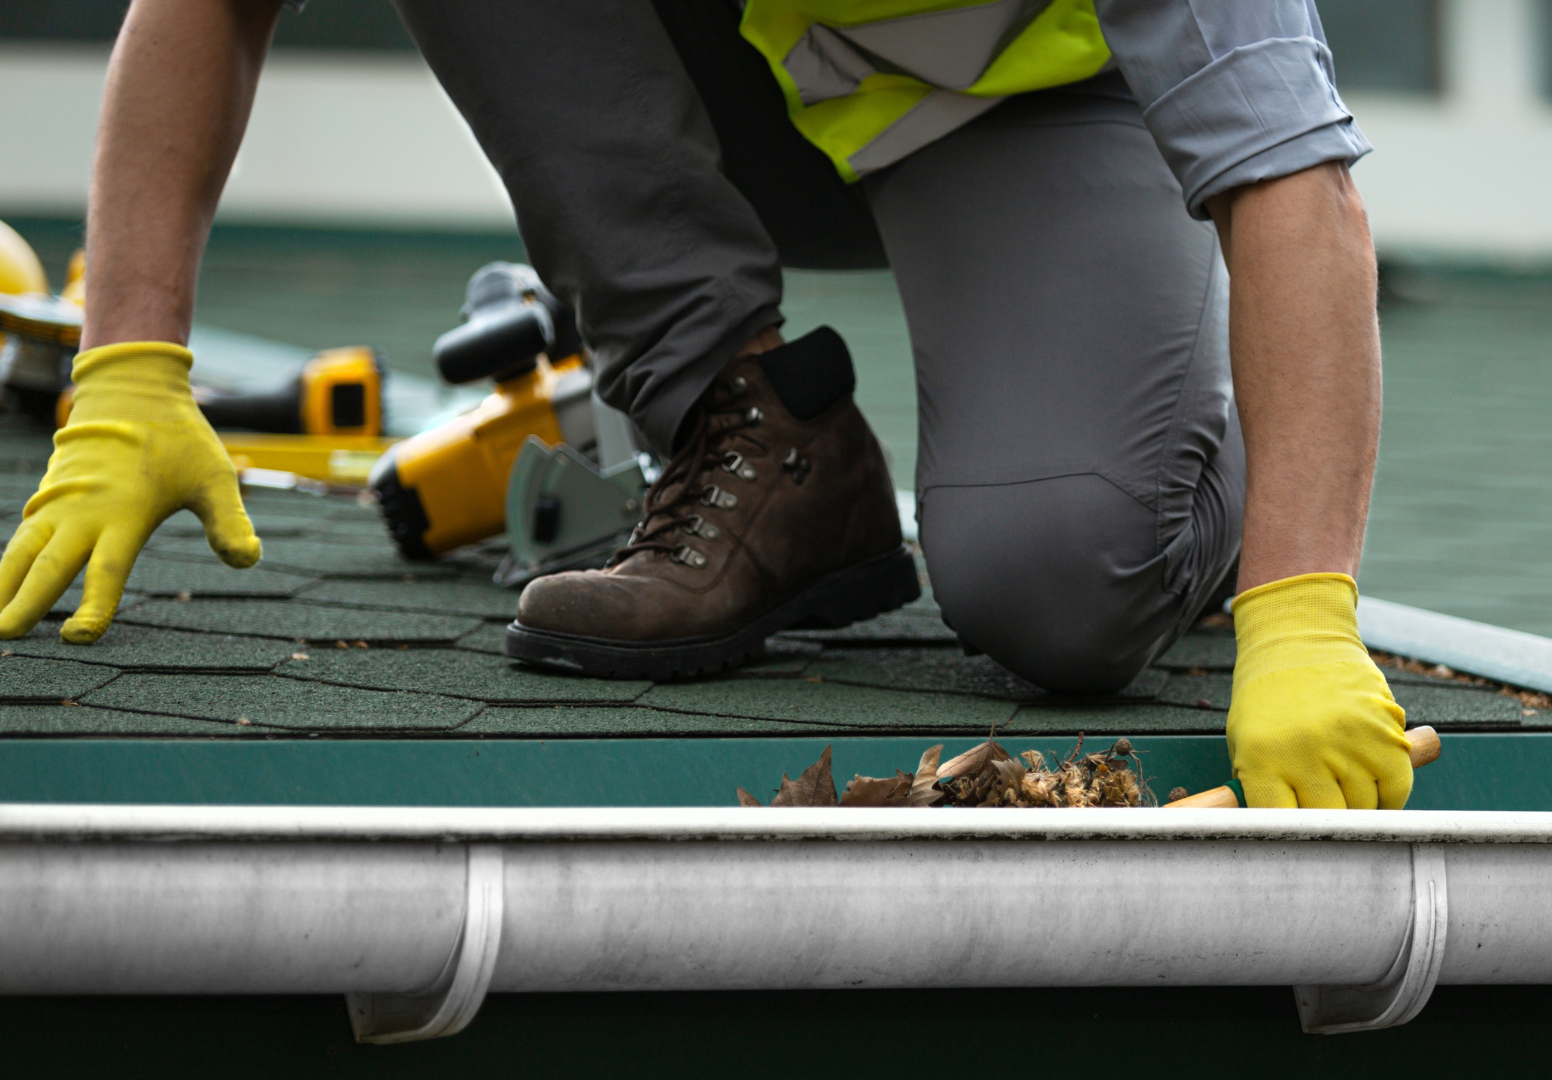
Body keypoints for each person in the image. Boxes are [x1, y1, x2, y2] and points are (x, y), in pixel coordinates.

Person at [0, 0, 1413, 810]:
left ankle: (1198, 480)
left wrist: (1299, 604)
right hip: (725, 66)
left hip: (1020, 113)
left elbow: (1298, 190)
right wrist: (130, 366)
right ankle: (743, 419)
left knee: (1063, 593)